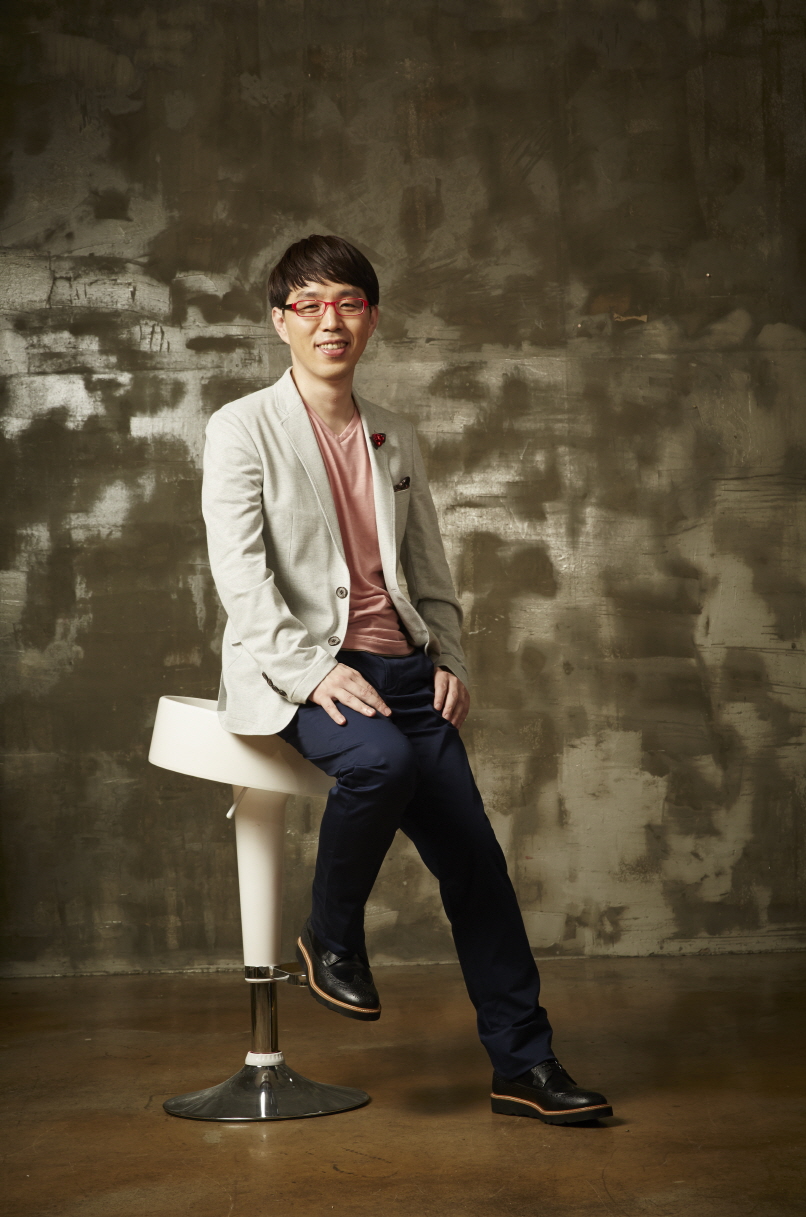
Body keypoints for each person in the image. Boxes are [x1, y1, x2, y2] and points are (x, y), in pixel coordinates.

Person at [201, 234, 612, 1126]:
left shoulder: (393, 432)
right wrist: (313, 671)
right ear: (280, 322)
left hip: (407, 668)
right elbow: (240, 578)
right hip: (304, 670)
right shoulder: (242, 427)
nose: (331, 321)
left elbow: (429, 565)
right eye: (310, 305)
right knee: (378, 762)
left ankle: (524, 1065)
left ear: (373, 318)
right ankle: (330, 934)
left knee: (478, 868)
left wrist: (450, 658)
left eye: (348, 303)